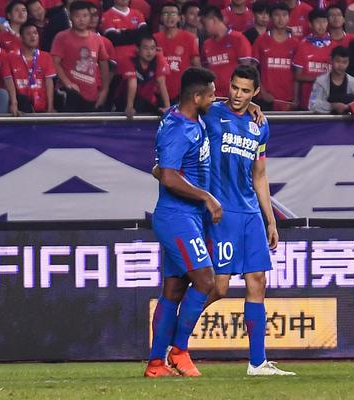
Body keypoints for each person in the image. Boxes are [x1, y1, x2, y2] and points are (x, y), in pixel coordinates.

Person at [201, 65, 295, 376]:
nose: (238, 95)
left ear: (255, 92)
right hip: (221, 211)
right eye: (234, 87)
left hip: (250, 212)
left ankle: (257, 362)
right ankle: (175, 332)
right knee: (219, 287)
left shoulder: (260, 126)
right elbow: (186, 106)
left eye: (245, 91)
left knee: (258, 281)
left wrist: (271, 220)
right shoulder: (212, 112)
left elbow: (260, 174)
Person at [144, 66, 220, 378]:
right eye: (211, 95)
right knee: (205, 281)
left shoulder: (187, 117)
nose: (215, 99)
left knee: (174, 289)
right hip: (177, 217)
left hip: (188, 217)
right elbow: (168, 176)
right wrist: (206, 197)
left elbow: (159, 168)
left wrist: (252, 105)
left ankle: (155, 364)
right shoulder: (178, 128)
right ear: (197, 97)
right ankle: (179, 351)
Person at [51, 0, 110, 112]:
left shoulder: (97, 39)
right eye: (77, 16)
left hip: (92, 94)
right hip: (69, 92)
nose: (81, 20)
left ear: (90, 17)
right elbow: (55, 62)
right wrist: (67, 83)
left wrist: (105, 89)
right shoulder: (61, 37)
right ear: (70, 17)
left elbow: (104, 63)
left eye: (85, 16)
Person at [252, 2, 299, 110]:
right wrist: (262, 92)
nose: (280, 19)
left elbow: (297, 73)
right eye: (277, 15)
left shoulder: (296, 43)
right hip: (266, 99)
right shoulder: (261, 40)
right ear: (271, 17)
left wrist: (296, 98)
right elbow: (253, 69)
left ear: (289, 17)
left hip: (287, 100)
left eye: (284, 15)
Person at [200, 6, 253, 97]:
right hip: (214, 97)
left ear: (214, 20)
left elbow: (246, 69)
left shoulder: (238, 39)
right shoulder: (206, 44)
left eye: (204, 24)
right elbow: (205, 70)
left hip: (235, 96)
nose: (202, 28)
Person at [154, 2, 200, 103]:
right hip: (158, 92)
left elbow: (196, 65)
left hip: (183, 92)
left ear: (179, 17)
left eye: (173, 14)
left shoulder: (189, 38)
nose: (169, 17)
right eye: (166, 13)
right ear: (161, 17)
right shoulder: (154, 39)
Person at [5, 22, 56, 112]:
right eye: (28, 34)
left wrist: (50, 107)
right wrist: (14, 103)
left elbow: (49, 83)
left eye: (35, 33)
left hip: (41, 105)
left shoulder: (46, 56)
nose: (33, 36)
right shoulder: (10, 57)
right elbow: (8, 81)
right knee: (23, 100)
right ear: (21, 38)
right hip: (21, 106)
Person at [117, 34, 170, 118]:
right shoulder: (129, 59)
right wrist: (130, 107)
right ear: (138, 49)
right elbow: (132, 83)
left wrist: (168, 108)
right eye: (145, 48)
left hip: (148, 100)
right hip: (125, 98)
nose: (149, 52)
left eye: (152, 48)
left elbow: (162, 83)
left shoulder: (158, 58)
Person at [293, 7, 333, 110]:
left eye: (324, 22)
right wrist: (317, 79)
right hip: (307, 100)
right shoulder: (303, 45)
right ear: (310, 24)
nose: (321, 25)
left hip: (330, 99)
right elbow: (298, 76)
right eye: (318, 22)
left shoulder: (334, 45)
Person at [308, 45, 354, 113]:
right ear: (331, 60)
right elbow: (312, 105)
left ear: (348, 63)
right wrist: (331, 106)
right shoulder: (320, 82)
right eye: (338, 61)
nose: (341, 65)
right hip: (325, 119)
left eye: (344, 62)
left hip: (349, 119)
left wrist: (349, 107)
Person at [101, 0, 148, 64]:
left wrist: (122, 32)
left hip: (139, 58)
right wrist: (136, 32)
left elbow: (144, 34)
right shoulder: (107, 15)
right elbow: (114, 39)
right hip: (118, 59)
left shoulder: (138, 13)